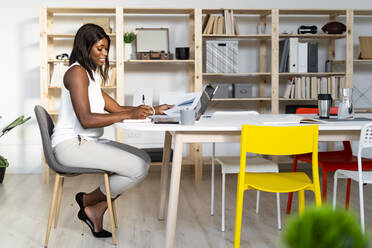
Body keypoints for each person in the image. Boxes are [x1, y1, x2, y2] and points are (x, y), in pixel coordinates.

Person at [51, 23, 170, 238]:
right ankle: (88, 201)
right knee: (137, 167)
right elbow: (86, 119)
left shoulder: (90, 76)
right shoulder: (77, 73)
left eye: (107, 48)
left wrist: (153, 110)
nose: (105, 54)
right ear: (85, 47)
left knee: (143, 158)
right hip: (71, 145)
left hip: (85, 142)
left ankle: (95, 208)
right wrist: (129, 115)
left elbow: (116, 108)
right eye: (100, 48)